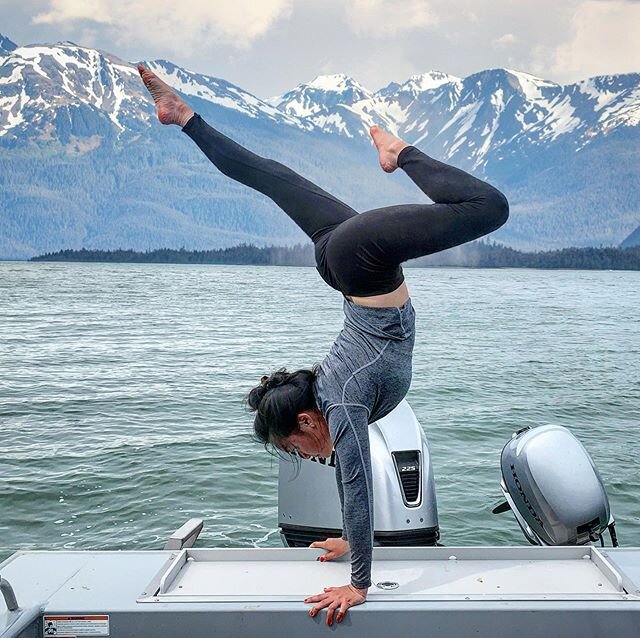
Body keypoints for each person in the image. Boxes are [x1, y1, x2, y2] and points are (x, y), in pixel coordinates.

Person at [138, 64, 509, 626]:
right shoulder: (333, 400)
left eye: (294, 445)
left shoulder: (342, 399)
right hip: (343, 264)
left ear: (309, 420)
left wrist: (358, 585)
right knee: (272, 177)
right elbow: (348, 474)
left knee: (489, 209)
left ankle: (400, 153)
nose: (302, 456)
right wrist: (343, 541)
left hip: (362, 264)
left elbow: (358, 484)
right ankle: (182, 115)